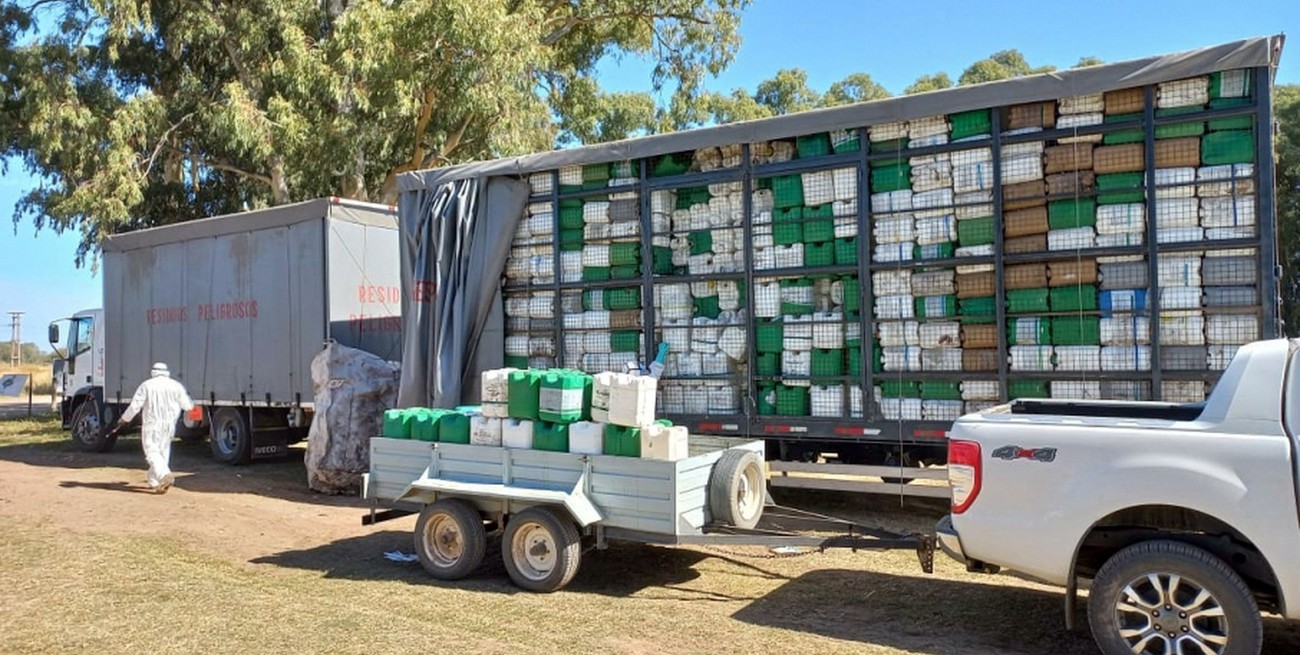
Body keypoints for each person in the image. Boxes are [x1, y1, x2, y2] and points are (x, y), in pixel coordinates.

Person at [111, 362, 194, 494]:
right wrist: (199, 418)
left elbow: (135, 406)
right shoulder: (176, 386)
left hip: (152, 424)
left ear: (153, 372)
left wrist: (124, 419)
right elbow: (188, 406)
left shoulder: (147, 385)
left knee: (152, 452)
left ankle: (164, 475)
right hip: (169, 425)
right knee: (162, 452)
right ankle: (154, 482)